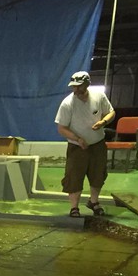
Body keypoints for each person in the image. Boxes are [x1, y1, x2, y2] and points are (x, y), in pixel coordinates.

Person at [54, 71, 115, 218]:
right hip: (77, 147)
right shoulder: (67, 104)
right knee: (74, 176)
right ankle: (74, 207)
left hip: (97, 144)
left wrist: (103, 122)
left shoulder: (99, 96)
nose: (76, 90)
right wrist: (77, 139)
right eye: (73, 87)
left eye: (79, 86)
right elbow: (61, 128)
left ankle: (93, 202)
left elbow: (111, 112)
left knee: (98, 174)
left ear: (87, 84)